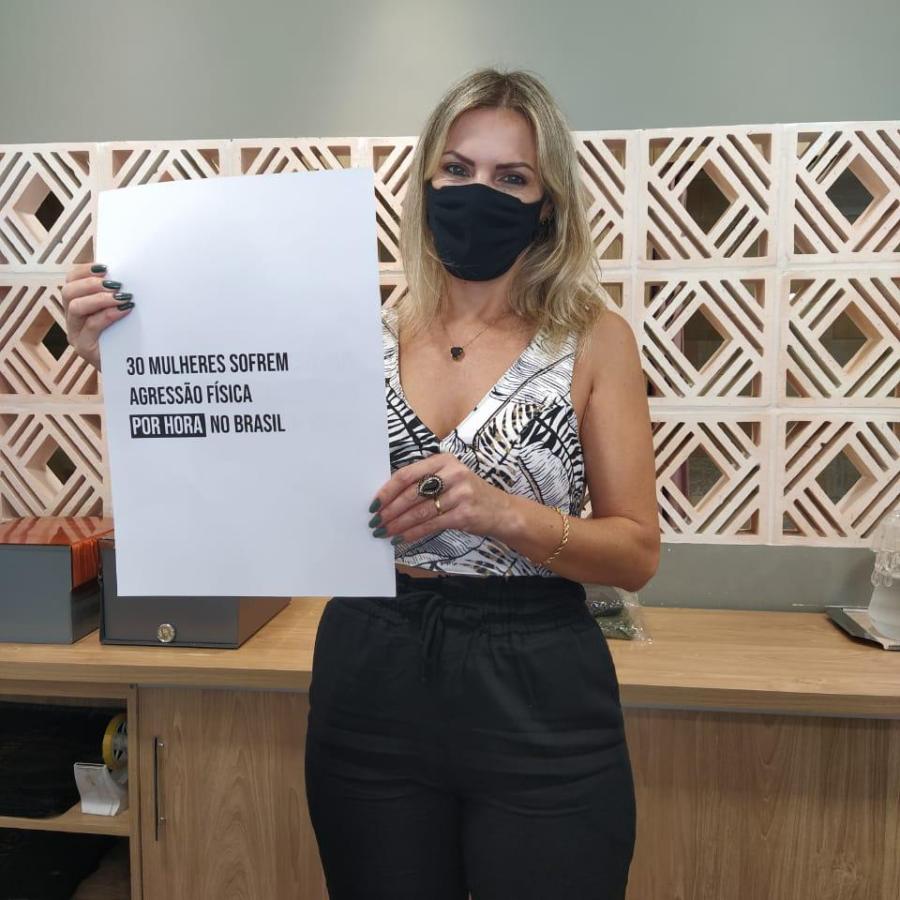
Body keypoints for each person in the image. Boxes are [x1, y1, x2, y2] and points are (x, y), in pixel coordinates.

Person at [62, 66, 659, 899]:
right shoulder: (351, 327)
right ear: (426, 183)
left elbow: (635, 553)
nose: (477, 191)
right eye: (457, 169)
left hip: (538, 683)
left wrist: (501, 513)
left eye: (511, 177)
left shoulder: (593, 338)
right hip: (373, 667)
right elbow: (241, 451)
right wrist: (126, 357)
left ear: (547, 203)